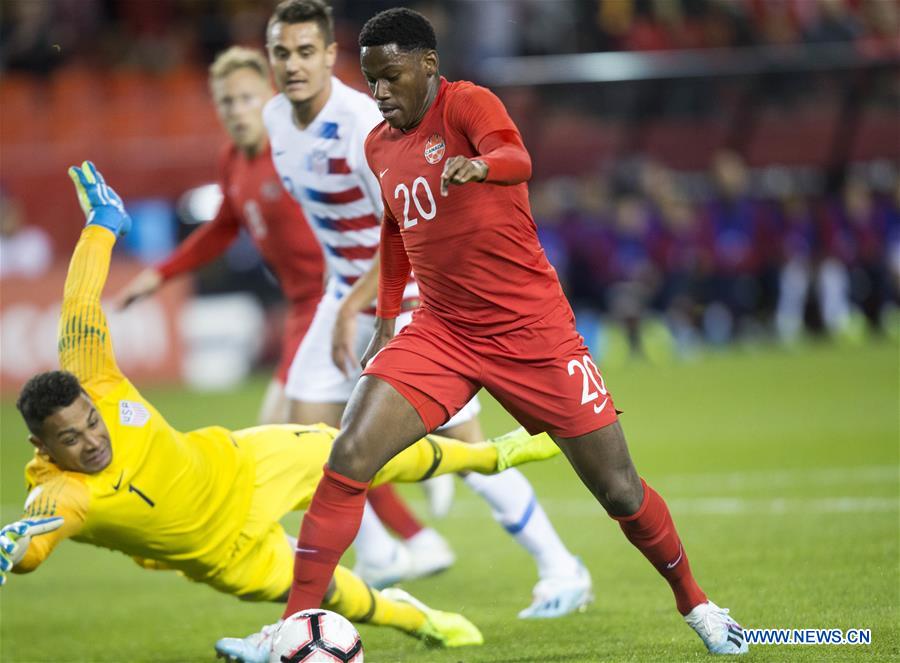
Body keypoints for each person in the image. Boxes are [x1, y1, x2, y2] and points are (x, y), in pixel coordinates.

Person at [233, 8, 749, 660]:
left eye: (391, 78)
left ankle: (696, 601)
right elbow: (394, 229)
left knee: (619, 488)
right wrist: (388, 319)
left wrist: (482, 168)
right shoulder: (379, 144)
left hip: (535, 333)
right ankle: (293, 626)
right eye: (371, 82)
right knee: (348, 456)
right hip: (442, 330)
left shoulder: (467, 104)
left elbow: (516, 155)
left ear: (427, 64)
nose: (381, 94)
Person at [0, 163, 567, 659]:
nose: (91, 439)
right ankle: (424, 622)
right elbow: (32, 545)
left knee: (359, 451)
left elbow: (78, 298)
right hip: (221, 553)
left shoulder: (91, 374)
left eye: (90, 421)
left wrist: (102, 220)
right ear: (43, 449)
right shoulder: (58, 495)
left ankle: (490, 455)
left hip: (244, 462)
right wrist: (18, 548)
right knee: (336, 595)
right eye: (70, 440)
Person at [261, 0, 592, 615]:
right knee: (312, 436)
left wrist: (367, 309)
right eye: (281, 53)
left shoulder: (367, 116)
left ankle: (559, 563)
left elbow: (397, 231)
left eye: (306, 51)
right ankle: (383, 554)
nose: (293, 65)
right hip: (343, 294)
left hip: (405, 295)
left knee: (464, 444)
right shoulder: (276, 121)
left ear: (330, 56)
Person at [116, 47, 325, 426]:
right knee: (330, 440)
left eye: (247, 98)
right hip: (304, 308)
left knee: (287, 431)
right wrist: (159, 274)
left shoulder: (298, 149)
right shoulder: (231, 160)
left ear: (270, 97)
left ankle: (460, 474)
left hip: (336, 302)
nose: (238, 109)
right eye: (227, 101)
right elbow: (223, 227)